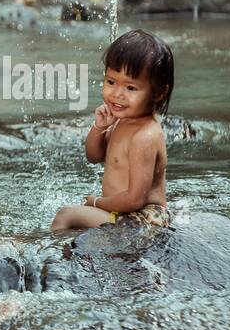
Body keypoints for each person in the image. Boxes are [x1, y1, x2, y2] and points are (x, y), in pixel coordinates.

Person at [50, 29, 175, 232]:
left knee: (67, 215)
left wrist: (97, 202)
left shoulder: (145, 135)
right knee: (80, 219)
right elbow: (94, 156)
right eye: (111, 82)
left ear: (159, 93)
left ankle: (50, 259)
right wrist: (99, 128)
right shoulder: (122, 120)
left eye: (131, 88)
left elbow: (135, 199)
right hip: (124, 215)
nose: (117, 94)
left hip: (145, 220)